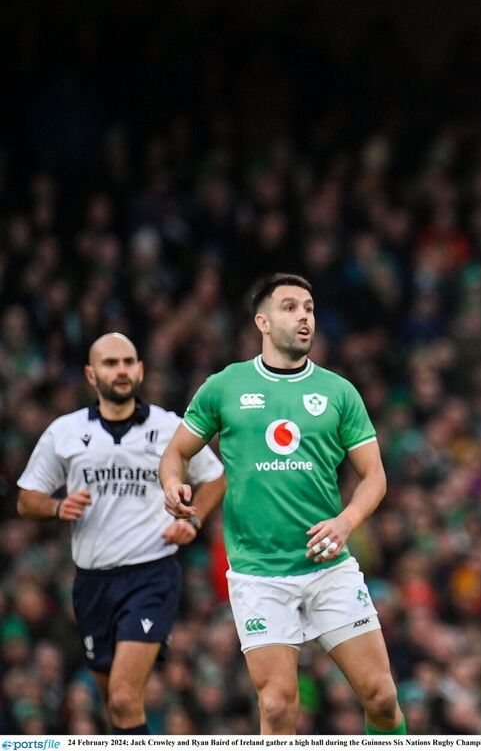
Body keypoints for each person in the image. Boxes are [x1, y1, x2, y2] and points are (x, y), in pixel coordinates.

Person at [158, 273, 406, 735]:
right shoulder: (224, 386)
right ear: (263, 322)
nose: (304, 316)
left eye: (309, 308)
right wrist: (173, 484)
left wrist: (346, 521)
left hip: (329, 566)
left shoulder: (338, 392)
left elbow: (375, 477)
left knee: (383, 697)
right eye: (290, 307)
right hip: (258, 573)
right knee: (276, 706)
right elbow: (176, 454)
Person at [16, 333, 226, 734]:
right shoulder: (65, 431)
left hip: (151, 574)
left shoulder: (169, 427)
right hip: (92, 581)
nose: (121, 370)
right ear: (91, 375)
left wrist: (192, 520)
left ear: (141, 369)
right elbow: (27, 500)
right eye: (110, 363)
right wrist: (58, 507)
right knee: (115, 705)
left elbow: (215, 478)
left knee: (126, 697)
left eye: (129, 361)